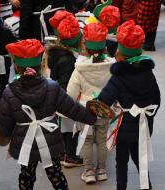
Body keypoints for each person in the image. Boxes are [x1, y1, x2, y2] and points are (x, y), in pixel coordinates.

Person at [0, 39, 98, 190]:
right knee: (55, 173)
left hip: (25, 141)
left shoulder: (9, 91)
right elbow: (72, 108)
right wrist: (91, 117)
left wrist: (4, 135)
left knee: (26, 174)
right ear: (41, 65)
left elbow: (5, 119)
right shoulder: (52, 87)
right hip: (50, 139)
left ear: (16, 66)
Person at [97, 20, 161, 190]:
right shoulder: (149, 74)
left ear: (120, 54)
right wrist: (148, 116)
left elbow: (103, 101)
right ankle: (146, 186)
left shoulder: (118, 77)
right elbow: (157, 100)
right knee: (141, 158)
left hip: (123, 127)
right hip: (143, 125)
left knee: (121, 162)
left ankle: (121, 187)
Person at [67, 22, 115, 183]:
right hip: (105, 109)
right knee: (102, 139)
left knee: (86, 140)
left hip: (84, 111)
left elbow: (71, 94)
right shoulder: (112, 67)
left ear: (85, 47)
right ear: (105, 47)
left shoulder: (79, 69)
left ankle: (88, 171)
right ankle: (101, 170)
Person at [45, 11, 84, 167]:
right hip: (67, 98)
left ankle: (63, 153)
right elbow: (68, 84)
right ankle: (69, 156)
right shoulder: (68, 60)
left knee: (64, 128)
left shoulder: (58, 53)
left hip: (58, 96)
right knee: (70, 128)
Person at [19, 0, 87, 40]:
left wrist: (22, 37)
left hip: (40, 27)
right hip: (60, 20)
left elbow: (25, 13)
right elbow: (69, 5)